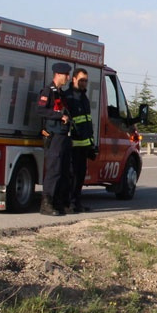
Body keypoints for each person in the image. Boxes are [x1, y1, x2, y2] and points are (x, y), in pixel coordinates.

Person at [35, 62, 73, 215]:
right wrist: (59, 116)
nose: (68, 78)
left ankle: (58, 202)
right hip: (53, 136)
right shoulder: (48, 91)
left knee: (64, 170)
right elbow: (40, 110)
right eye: (66, 75)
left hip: (63, 136)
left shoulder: (60, 93)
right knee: (53, 170)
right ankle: (46, 204)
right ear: (58, 74)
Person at [63, 67, 96, 214]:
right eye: (81, 80)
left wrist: (91, 145)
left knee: (80, 176)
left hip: (84, 146)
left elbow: (87, 122)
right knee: (71, 177)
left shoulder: (84, 98)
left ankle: (77, 203)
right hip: (72, 146)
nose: (84, 83)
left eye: (86, 81)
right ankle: (68, 203)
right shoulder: (68, 97)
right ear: (73, 79)